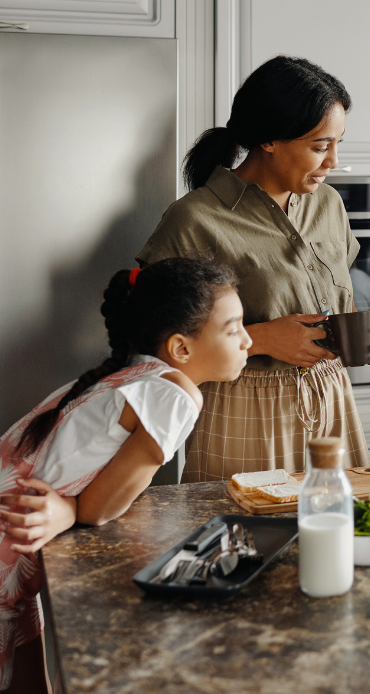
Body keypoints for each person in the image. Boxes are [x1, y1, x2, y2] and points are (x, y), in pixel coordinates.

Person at [0, 257, 250, 693]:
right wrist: (71, 509)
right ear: (181, 349)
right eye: (233, 329)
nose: (248, 340)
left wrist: (68, 509)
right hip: (12, 533)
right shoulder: (175, 393)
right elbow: (100, 509)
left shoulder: (130, 372)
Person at [137, 56, 370, 482]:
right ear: (269, 139)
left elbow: (335, 295)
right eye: (321, 146)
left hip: (333, 398)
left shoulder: (329, 206)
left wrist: (361, 334)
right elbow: (151, 344)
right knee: (247, 540)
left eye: (337, 144)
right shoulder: (195, 219)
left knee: (341, 535)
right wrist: (261, 339)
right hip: (241, 408)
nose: (334, 162)